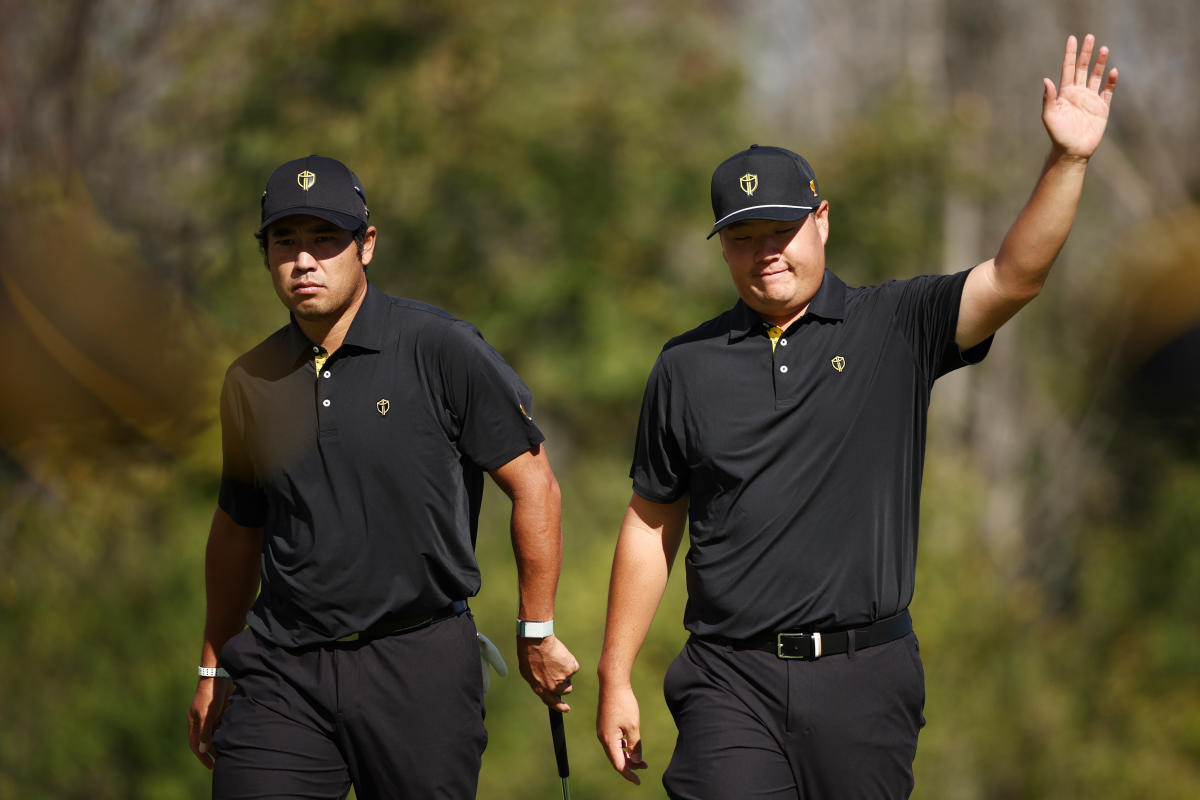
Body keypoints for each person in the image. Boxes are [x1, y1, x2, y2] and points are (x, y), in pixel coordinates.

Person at [596, 34, 1117, 799]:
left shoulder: (894, 327)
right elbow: (650, 523)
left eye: (779, 231)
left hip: (863, 679)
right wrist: (616, 673)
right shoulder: (686, 364)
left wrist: (1067, 160)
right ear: (722, 251)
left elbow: (1015, 277)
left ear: (823, 221)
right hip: (726, 678)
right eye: (742, 239)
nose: (764, 252)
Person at [186, 154, 579, 799]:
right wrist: (213, 665)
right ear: (265, 256)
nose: (304, 260)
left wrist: (535, 629)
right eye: (284, 241)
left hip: (417, 664)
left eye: (324, 239)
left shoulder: (441, 348)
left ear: (366, 245)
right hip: (283, 668)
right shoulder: (250, 381)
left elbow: (535, 485)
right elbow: (237, 531)